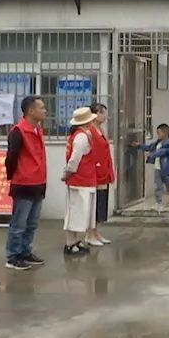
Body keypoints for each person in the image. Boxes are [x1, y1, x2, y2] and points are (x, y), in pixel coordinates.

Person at [4, 96, 48, 271]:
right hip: (23, 183)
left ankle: (25, 251)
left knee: (32, 223)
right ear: (30, 111)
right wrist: (16, 175)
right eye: (41, 108)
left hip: (38, 182)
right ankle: (13, 256)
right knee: (19, 223)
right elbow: (11, 158)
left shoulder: (37, 130)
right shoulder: (18, 131)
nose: (45, 111)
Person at [62, 107, 99, 256]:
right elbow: (74, 159)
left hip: (84, 180)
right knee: (75, 213)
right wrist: (68, 173)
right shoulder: (81, 137)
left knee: (81, 213)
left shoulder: (82, 135)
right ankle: (70, 243)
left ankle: (75, 241)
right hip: (79, 180)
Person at [87, 103, 115, 246]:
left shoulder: (101, 130)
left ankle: (96, 232)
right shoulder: (90, 131)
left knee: (101, 203)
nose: (104, 116)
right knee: (94, 204)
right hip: (95, 172)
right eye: (102, 113)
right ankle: (90, 234)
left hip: (104, 170)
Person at [139, 124, 169, 211]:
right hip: (157, 167)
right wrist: (139, 146)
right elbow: (149, 147)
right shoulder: (157, 143)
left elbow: (162, 152)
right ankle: (158, 203)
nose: (158, 135)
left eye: (159, 133)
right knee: (158, 185)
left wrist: (151, 154)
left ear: (165, 133)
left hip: (166, 168)